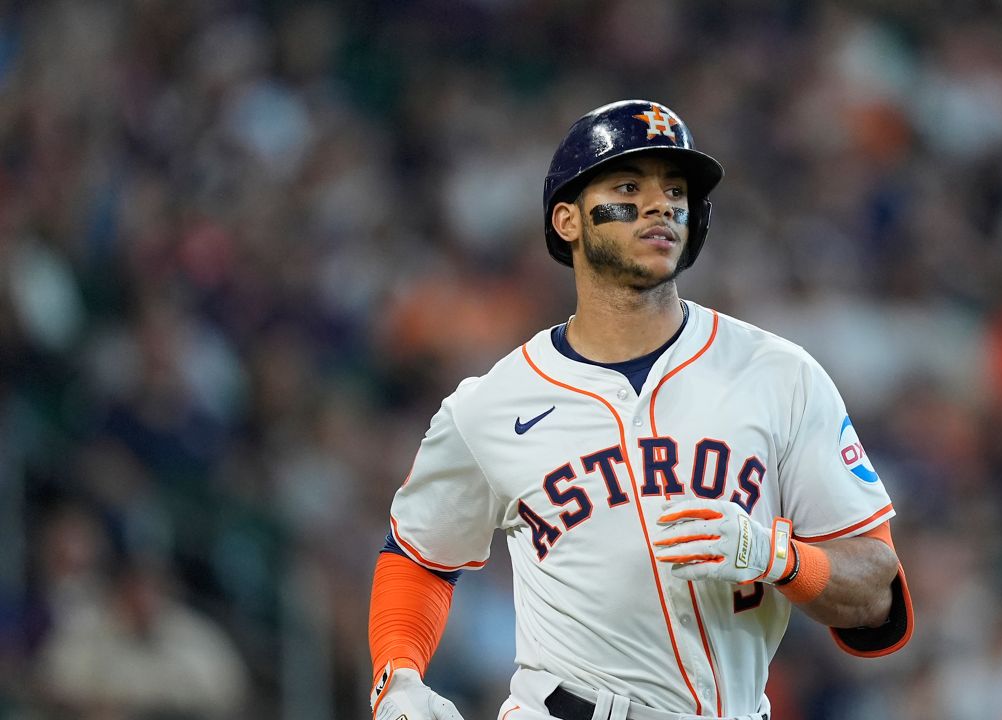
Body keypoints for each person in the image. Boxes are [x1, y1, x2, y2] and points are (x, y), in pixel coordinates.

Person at [367, 99, 914, 720]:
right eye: (629, 186)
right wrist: (398, 673)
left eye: (675, 189)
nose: (661, 205)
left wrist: (779, 558)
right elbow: (418, 555)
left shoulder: (779, 375)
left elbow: (876, 590)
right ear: (568, 220)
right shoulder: (492, 404)